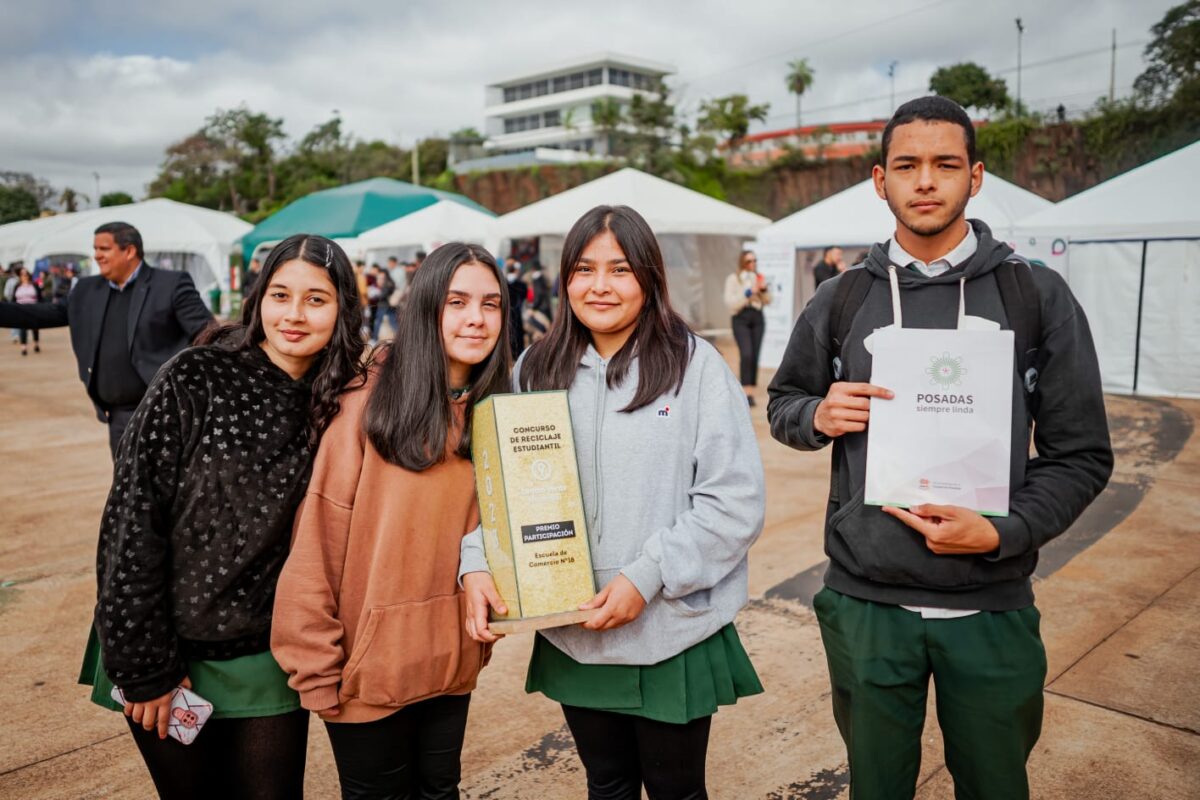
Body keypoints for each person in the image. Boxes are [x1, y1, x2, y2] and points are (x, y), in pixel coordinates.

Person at [766, 96, 1113, 800]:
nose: (926, 181)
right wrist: (818, 414)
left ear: (975, 177)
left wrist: (1005, 530)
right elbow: (783, 404)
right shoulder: (839, 299)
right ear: (879, 180)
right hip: (866, 603)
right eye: (907, 166)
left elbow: (1082, 453)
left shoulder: (1033, 295)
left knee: (994, 787)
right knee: (876, 788)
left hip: (989, 604)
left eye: (945, 164)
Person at [461, 205, 766, 800]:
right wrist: (476, 562)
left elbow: (734, 501)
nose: (599, 286)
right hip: (573, 622)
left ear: (650, 277)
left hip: (669, 625)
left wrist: (647, 576)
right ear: (564, 279)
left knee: (677, 791)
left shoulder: (694, 366)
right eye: (583, 269)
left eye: (620, 269)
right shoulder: (535, 367)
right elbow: (497, 490)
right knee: (607, 786)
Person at [82, 234, 366, 799]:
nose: (293, 314)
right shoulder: (195, 376)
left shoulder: (345, 398)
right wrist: (145, 665)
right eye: (280, 295)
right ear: (258, 298)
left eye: (316, 300)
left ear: (343, 311)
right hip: (163, 643)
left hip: (269, 651)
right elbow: (132, 521)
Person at [271, 243, 511, 800]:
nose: (476, 319)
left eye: (491, 304)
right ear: (426, 308)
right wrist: (315, 662)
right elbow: (318, 540)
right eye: (456, 302)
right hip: (366, 672)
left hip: (449, 664)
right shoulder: (368, 401)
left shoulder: (493, 409)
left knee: (441, 791)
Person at [0, 222, 213, 457]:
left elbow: (207, 332)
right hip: (119, 416)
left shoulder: (170, 285)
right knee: (128, 489)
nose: (97, 255)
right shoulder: (86, 290)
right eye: (95, 249)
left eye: (104, 249)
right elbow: (43, 315)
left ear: (129, 251)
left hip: (166, 411)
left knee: (171, 488)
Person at [724, 250, 772, 406]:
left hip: (757, 317)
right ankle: (744, 391)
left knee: (755, 355)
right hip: (741, 318)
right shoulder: (733, 279)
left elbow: (768, 300)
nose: (753, 264)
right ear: (743, 262)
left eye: (755, 260)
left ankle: (750, 392)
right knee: (747, 354)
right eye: (749, 261)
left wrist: (763, 290)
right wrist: (748, 292)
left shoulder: (758, 277)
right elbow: (731, 303)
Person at [11, 267, 42, 355]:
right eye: (22, 274)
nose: (24, 276)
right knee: (22, 328)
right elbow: (13, 299)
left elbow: (40, 298)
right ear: (20, 276)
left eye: (26, 274)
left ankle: (36, 343)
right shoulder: (17, 286)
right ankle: (23, 347)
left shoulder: (34, 285)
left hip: (33, 308)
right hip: (21, 309)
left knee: (35, 328)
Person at [368, 263, 399, 343]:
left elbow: (383, 295)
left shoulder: (387, 283)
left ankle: (374, 339)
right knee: (393, 322)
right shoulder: (390, 282)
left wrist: (377, 294)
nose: (381, 277)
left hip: (383, 305)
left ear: (385, 274)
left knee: (378, 321)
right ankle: (400, 337)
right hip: (390, 305)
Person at [505, 258, 528, 359]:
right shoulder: (521, 285)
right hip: (517, 313)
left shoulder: (503, 283)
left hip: (507, 314)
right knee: (518, 335)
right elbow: (524, 297)